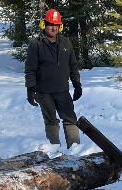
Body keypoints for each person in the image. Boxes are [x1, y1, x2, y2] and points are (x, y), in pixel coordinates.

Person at [25, 8, 83, 149]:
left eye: (56, 25)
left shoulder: (66, 43)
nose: (53, 27)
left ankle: (75, 150)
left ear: (60, 26)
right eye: (50, 24)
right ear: (44, 25)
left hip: (63, 90)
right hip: (44, 92)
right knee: (51, 121)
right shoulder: (36, 45)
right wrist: (31, 89)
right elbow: (30, 69)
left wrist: (77, 84)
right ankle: (54, 151)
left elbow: (73, 65)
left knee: (70, 120)